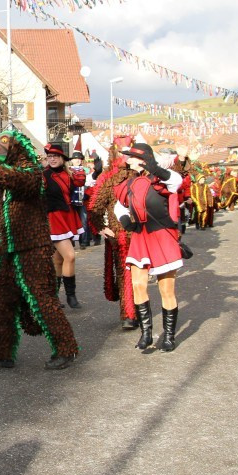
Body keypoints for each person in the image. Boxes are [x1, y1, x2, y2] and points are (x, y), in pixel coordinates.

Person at [0, 129, 81, 370]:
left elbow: (27, 181)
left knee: (42, 300)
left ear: (14, 147)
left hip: (33, 249)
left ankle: (66, 349)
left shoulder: (32, 171)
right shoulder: (6, 173)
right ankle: (2, 351)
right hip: (9, 251)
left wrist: (0, 171)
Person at [115, 143, 184, 352]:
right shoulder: (129, 183)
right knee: (138, 285)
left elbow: (177, 182)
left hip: (162, 236)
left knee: (166, 290)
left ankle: (169, 336)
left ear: (143, 159)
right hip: (140, 237)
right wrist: (126, 222)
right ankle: (146, 334)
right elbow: (119, 205)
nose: (127, 161)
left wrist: (154, 167)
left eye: (131, 157)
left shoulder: (163, 178)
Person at [88, 137, 139, 332]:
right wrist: (101, 227)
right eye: (122, 151)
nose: (125, 156)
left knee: (144, 275)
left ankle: (141, 310)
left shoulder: (142, 174)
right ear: (114, 153)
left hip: (143, 234)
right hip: (122, 235)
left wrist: (183, 159)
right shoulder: (108, 178)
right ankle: (129, 313)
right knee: (126, 274)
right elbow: (94, 207)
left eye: (129, 151)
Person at [44, 142, 83, 309]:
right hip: (53, 219)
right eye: (50, 156)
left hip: (68, 217)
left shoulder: (69, 175)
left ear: (62, 158)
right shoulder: (43, 175)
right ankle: (70, 295)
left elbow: (80, 187)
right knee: (70, 256)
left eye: (55, 156)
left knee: (59, 259)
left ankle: (54, 297)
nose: (52, 159)